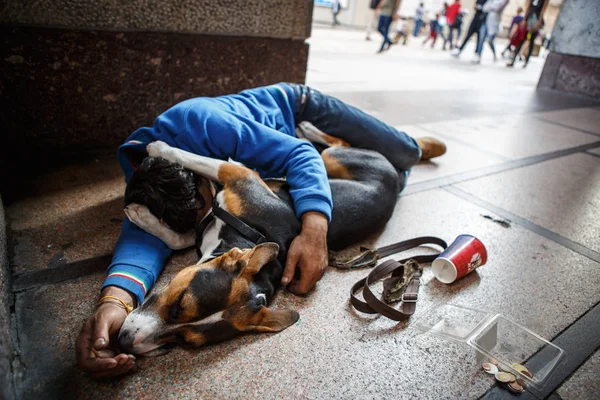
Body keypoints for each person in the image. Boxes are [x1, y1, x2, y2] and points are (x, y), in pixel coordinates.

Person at [75, 83, 447, 378]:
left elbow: (298, 155)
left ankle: (404, 149)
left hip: (296, 107)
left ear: (198, 176)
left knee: (402, 155)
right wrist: (114, 300)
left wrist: (315, 230)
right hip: (276, 170)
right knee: (373, 174)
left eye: (203, 208)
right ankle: (368, 157)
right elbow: (141, 237)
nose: (202, 223)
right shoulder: (147, 185)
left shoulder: (201, 123)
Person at [507, 0, 550, 68]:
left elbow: (543, 10)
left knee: (531, 43)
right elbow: (528, 7)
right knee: (521, 40)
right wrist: (524, 20)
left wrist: (538, 23)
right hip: (529, 20)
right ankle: (513, 60)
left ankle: (526, 61)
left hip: (535, 20)